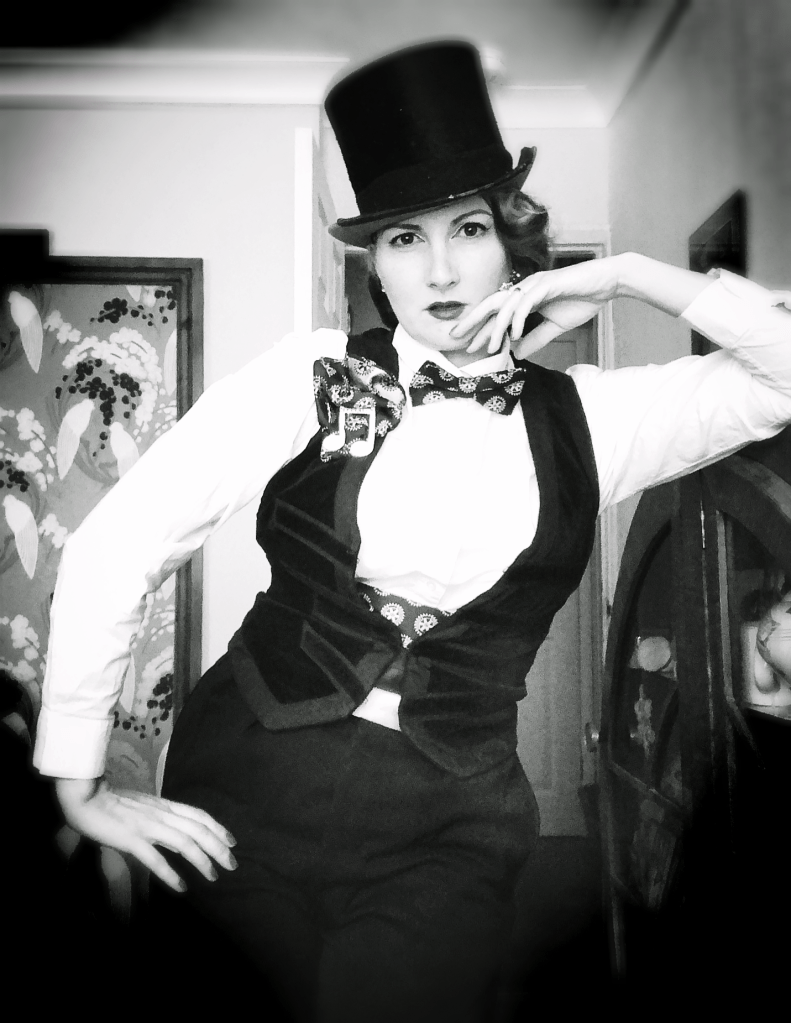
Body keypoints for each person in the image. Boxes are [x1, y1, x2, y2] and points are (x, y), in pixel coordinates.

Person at [32, 41, 791, 1022]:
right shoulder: (314, 375)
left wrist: (629, 276)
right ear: (376, 268)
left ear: (510, 245)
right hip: (247, 782)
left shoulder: (596, 419)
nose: (438, 269)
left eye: (466, 229)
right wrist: (77, 775)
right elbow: (120, 539)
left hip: (448, 823)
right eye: (402, 238)